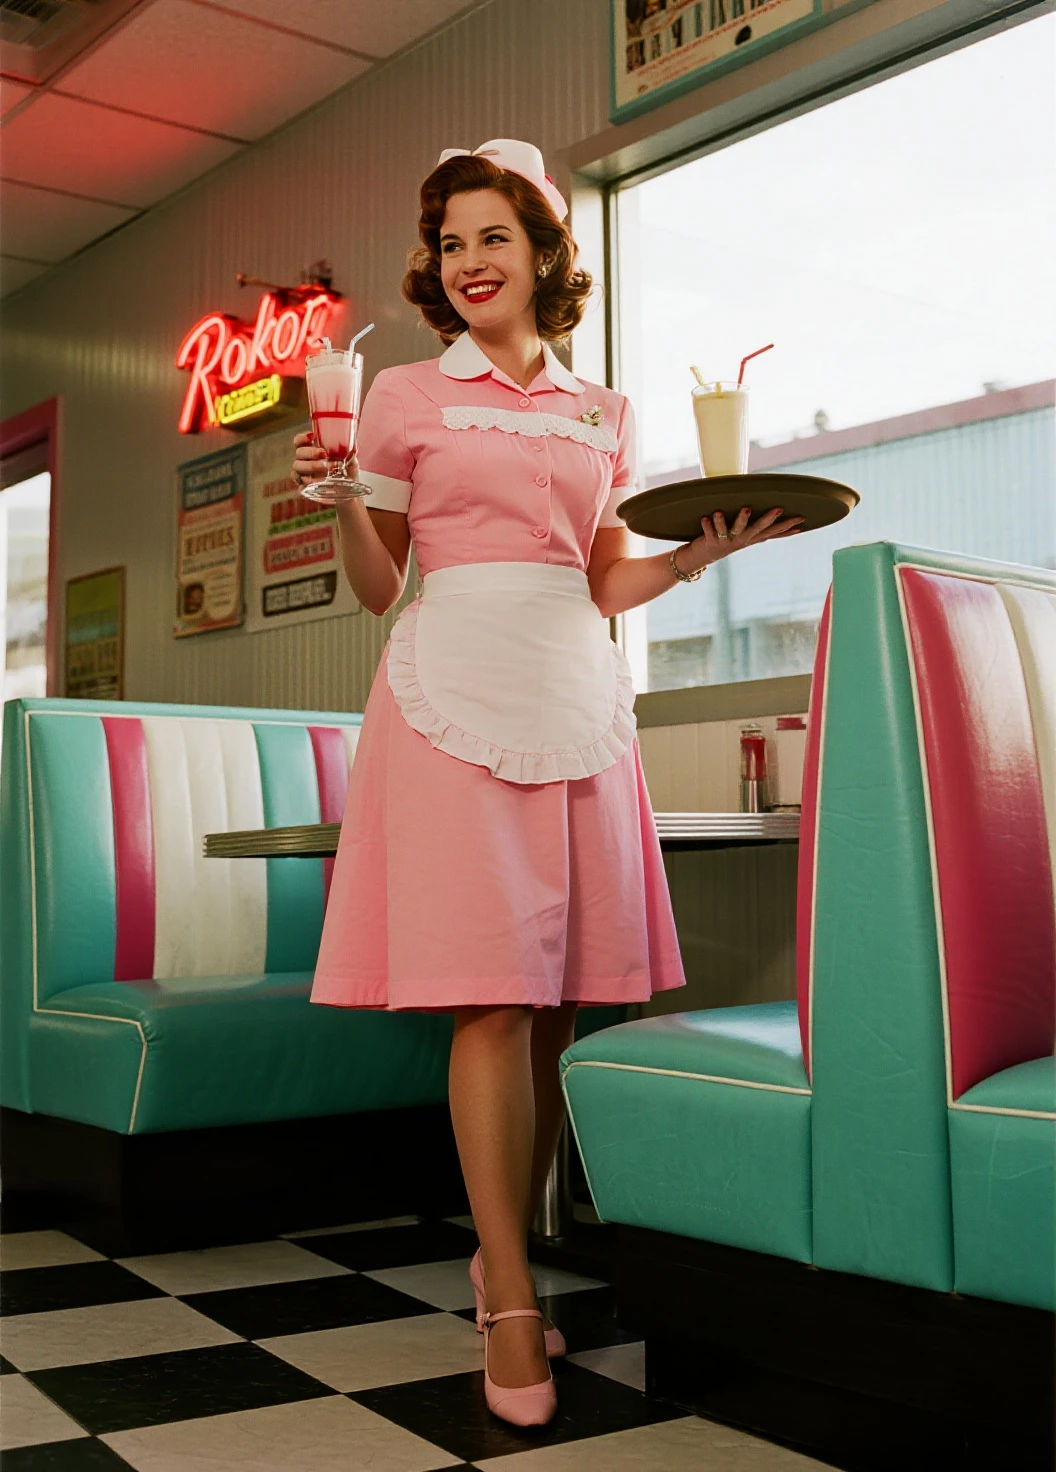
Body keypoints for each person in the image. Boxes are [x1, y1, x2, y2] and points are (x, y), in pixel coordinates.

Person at [291, 138, 803, 1427]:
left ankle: (498, 1243)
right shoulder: (404, 397)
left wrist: (699, 554)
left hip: (573, 688)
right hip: (450, 686)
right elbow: (376, 587)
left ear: (542, 256)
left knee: (559, 996)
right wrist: (341, 501)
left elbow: (604, 577)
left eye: (493, 239)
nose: (469, 263)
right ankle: (512, 1296)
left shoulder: (603, 412)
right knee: (490, 999)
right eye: (452, 242)